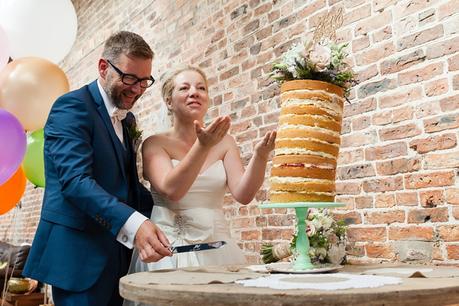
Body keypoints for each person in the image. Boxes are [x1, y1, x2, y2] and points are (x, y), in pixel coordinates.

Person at [22, 31, 172, 306]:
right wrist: (137, 224)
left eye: (144, 81)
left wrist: (169, 212)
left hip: (120, 257)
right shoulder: (71, 107)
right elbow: (76, 182)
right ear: (104, 67)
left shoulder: (128, 120)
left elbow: (127, 186)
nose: (137, 89)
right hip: (78, 259)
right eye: (130, 78)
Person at [127, 66, 276, 276]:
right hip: (169, 254)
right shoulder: (155, 143)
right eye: (184, 88)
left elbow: (243, 194)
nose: (194, 92)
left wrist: (260, 156)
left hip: (218, 250)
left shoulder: (225, 143)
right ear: (169, 101)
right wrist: (203, 146)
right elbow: (172, 190)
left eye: (201, 88)